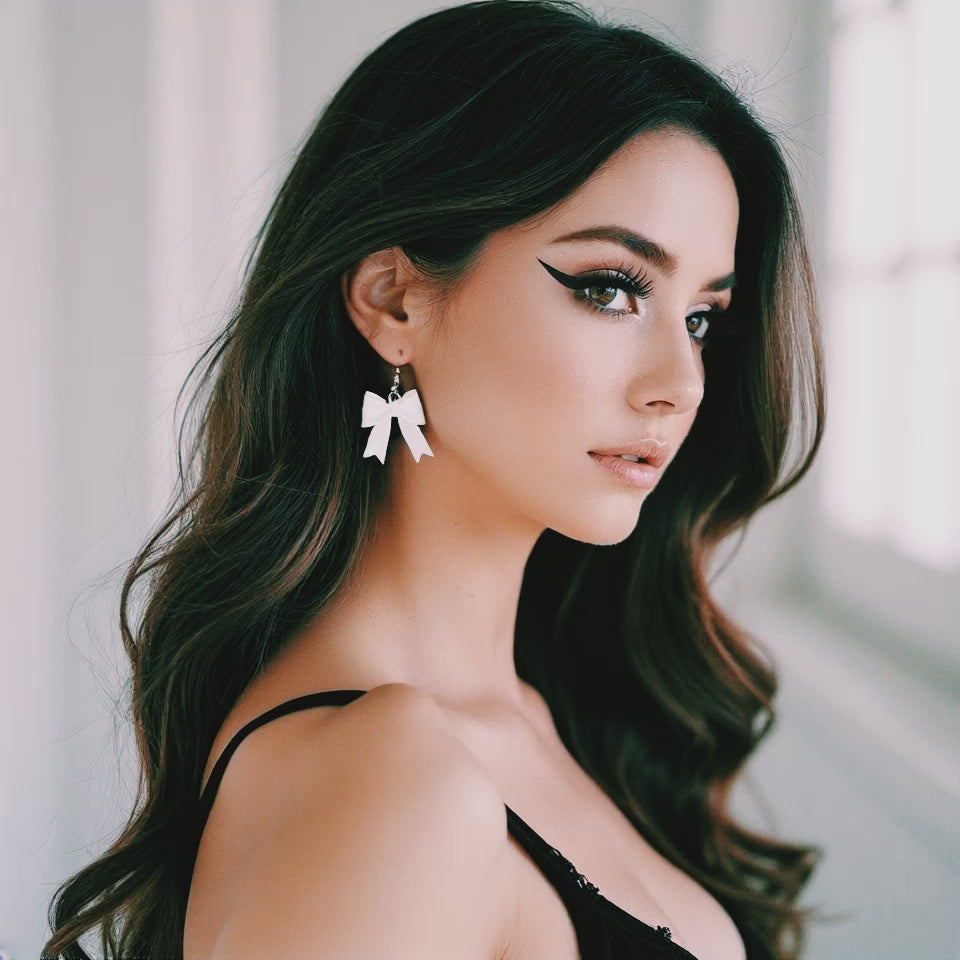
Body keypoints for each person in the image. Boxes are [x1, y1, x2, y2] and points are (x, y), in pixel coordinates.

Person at [42, 1, 827, 957]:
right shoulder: (385, 778)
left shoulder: (548, 710)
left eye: (702, 317)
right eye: (610, 288)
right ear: (393, 299)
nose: (682, 384)